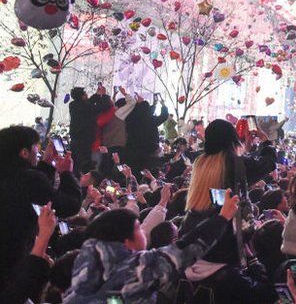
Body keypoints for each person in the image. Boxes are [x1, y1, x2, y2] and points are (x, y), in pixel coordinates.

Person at [62, 193, 240, 303]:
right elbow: (182, 252)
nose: (143, 231)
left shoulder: (84, 263)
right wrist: (222, 218)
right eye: (138, 228)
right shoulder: (135, 269)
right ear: (126, 240)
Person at [179, 119, 278, 303]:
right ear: (231, 138)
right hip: (227, 241)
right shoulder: (234, 163)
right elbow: (268, 164)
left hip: (200, 234)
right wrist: (266, 142)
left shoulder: (200, 161)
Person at [0, 126, 81, 289]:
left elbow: (33, 192)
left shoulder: (12, 176)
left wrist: (46, 164)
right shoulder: (27, 179)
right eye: (35, 146)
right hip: (11, 261)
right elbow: (69, 205)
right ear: (24, 152)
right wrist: (66, 174)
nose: (38, 150)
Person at [68, 86, 111, 174]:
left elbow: (88, 103)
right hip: (84, 141)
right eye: (85, 94)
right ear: (82, 96)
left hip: (74, 140)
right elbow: (103, 107)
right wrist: (104, 95)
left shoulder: (73, 105)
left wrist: (97, 95)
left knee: (74, 164)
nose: (87, 95)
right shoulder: (86, 107)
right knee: (83, 164)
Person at [124, 94, 169, 174]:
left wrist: (138, 105)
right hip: (150, 151)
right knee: (147, 172)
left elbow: (143, 111)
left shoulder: (131, 119)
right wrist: (162, 104)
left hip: (134, 150)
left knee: (135, 171)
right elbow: (164, 116)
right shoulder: (151, 120)